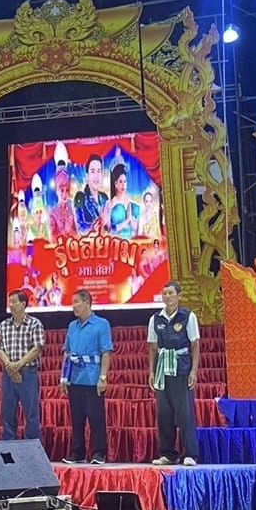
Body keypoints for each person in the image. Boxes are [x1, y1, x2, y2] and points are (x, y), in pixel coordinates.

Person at [147, 282, 200, 466]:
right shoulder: (155, 319)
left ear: (179, 296)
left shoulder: (188, 317)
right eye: (164, 294)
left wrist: (193, 371)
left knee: (185, 413)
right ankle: (168, 454)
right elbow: (152, 347)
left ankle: (190, 454)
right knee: (164, 413)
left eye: (170, 293)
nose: (167, 297)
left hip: (182, 367)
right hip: (162, 369)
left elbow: (195, 345)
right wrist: (151, 371)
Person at [61, 288, 113, 464]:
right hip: (74, 377)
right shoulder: (71, 326)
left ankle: (99, 452)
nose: (74, 306)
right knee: (77, 418)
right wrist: (63, 377)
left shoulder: (101, 324)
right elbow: (67, 352)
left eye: (76, 302)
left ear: (87, 303)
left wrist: (103, 377)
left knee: (96, 416)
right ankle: (78, 452)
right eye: (73, 302)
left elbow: (106, 352)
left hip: (92, 377)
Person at [0, 290, 46, 441]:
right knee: (7, 412)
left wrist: (18, 365)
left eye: (14, 302)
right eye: (9, 302)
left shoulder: (34, 323)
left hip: (28, 372)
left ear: (23, 304)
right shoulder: (4, 325)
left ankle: (33, 446)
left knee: (31, 412)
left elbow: (37, 348)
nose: (10, 305)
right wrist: (10, 366)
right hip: (8, 373)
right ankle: (9, 445)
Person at [103, 163, 141, 239]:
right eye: (120, 182)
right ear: (116, 184)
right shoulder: (110, 204)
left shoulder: (131, 203)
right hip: (115, 242)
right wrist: (127, 221)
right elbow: (109, 230)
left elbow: (137, 228)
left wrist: (131, 221)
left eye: (125, 181)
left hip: (131, 242)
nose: (123, 185)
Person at [74, 155, 110, 233]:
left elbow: (110, 226)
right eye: (93, 171)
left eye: (99, 171)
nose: (96, 176)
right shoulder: (80, 197)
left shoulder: (104, 198)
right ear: (87, 175)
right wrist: (93, 227)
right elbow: (80, 227)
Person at [48, 169, 77, 238]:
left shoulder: (72, 209)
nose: (64, 194)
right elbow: (52, 239)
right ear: (57, 191)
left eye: (67, 190)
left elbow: (78, 236)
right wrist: (65, 231)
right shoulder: (53, 213)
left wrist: (70, 231)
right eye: (62, 190)